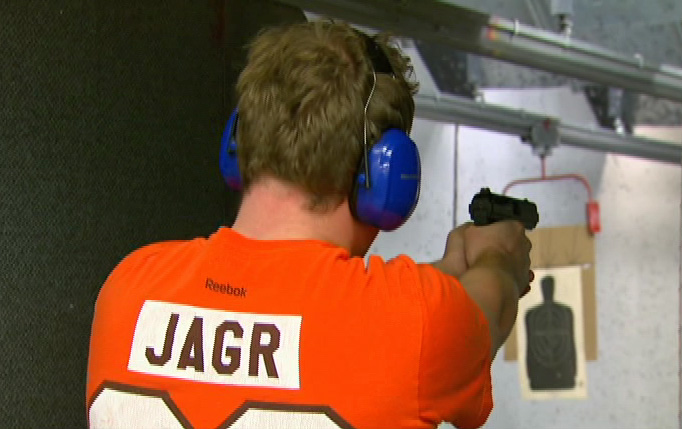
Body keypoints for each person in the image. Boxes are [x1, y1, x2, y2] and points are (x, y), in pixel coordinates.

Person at [86, 20, 532, 429]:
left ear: (238, 143)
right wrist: (498, 256)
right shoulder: (415, 322)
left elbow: (305, 307)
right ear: (386, 176)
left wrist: (450, 267)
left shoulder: (129, 287)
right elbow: (488, 309)